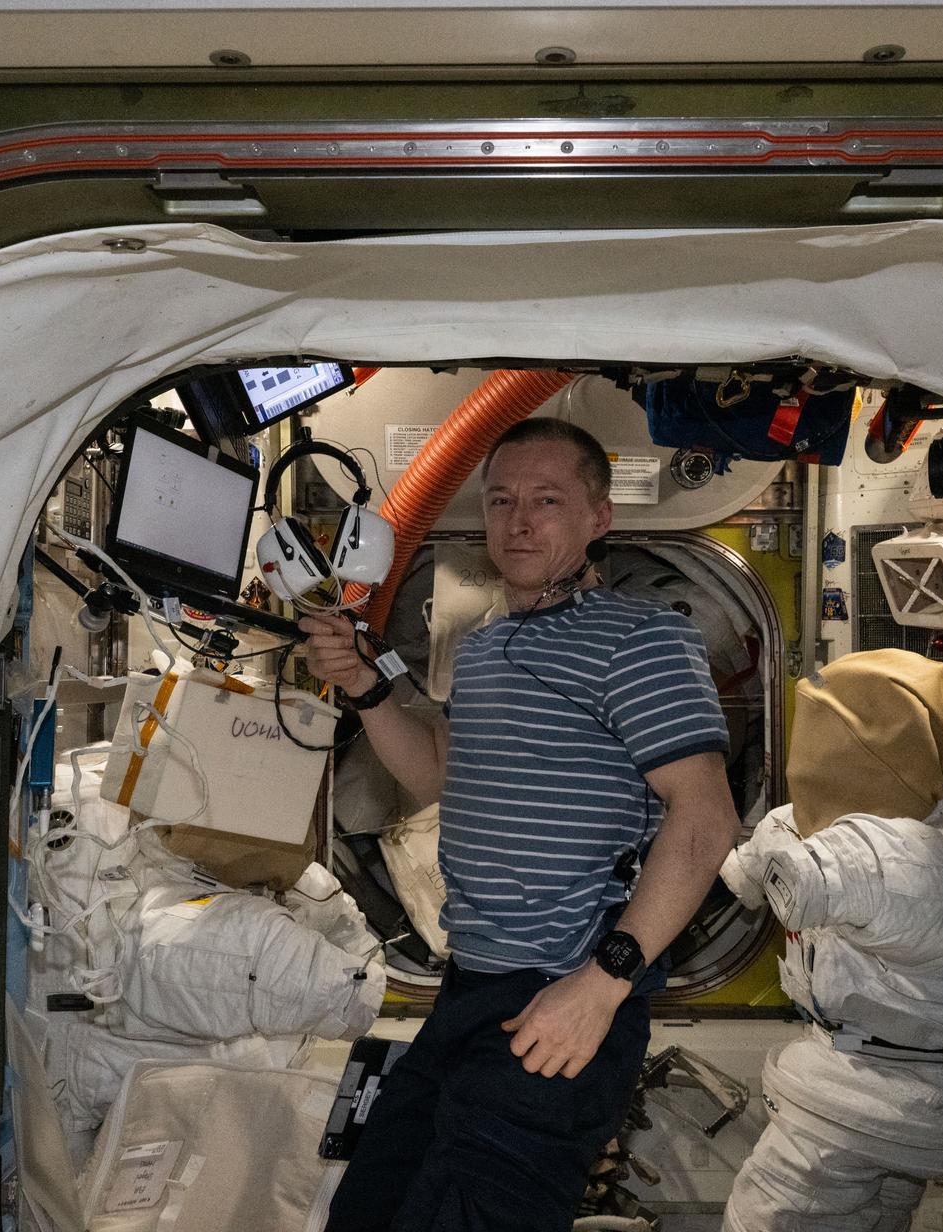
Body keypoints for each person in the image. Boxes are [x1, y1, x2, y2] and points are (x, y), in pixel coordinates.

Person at [302, 418, 739, 1232]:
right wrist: (365, 688)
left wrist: (601, 987)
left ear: (599, 519)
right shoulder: (487, 646)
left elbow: (707, 820)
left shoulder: (642, 639)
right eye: (501, 500)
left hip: (562, 992)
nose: (519, 521)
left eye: (547, 500)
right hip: (468, 990)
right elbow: (441, 771)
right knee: (367, 1209)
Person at [718, 651, 943, 1232]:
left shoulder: (920, 863)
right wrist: (753, 865)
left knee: (774, 1212)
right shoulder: (924, 822)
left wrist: (786, 872)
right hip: (904, 1093)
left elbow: (850, 871)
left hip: (868, 1103)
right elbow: (784, 841)